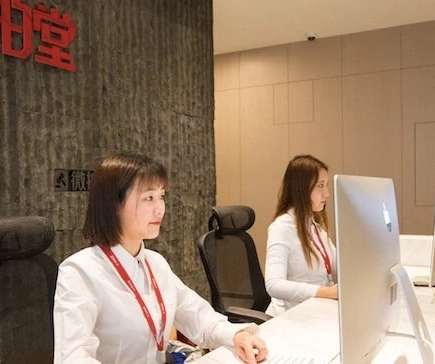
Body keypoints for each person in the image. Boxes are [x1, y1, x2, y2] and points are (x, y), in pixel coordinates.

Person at [54, 153, 267, 363]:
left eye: (161, 196)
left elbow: (197, 315)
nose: (160, 209)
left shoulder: (155, 263)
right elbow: (72, 358)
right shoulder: (80, 272)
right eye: (149, 198)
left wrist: (236, 335)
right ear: (113, 206)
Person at [264, 154, 338, 316]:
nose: (326, 193)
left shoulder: (314, 226)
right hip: (290, 316)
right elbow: (273, 284)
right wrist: (327, 292)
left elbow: (338, 265)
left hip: (316, 310)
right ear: (301, 189)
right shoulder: (282, 228)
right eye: (320, 186)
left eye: (326, 185)